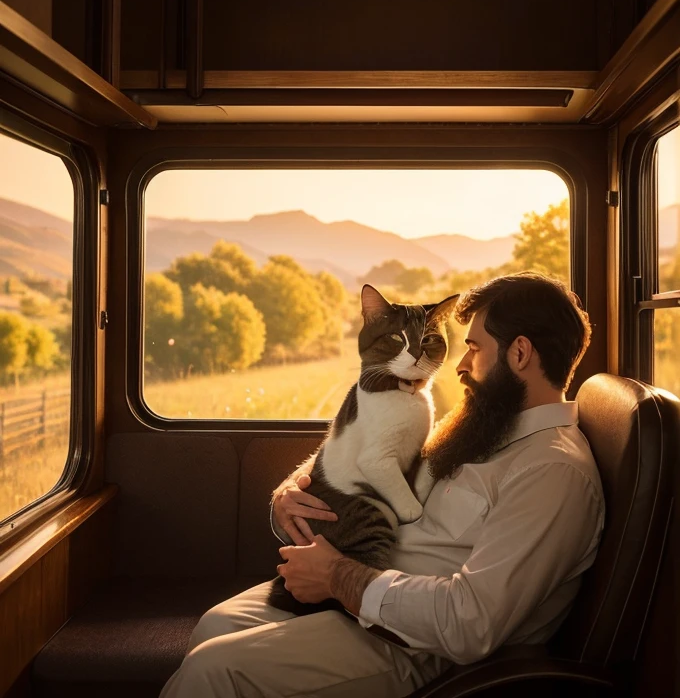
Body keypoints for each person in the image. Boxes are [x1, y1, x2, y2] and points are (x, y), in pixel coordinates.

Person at [160, 273, 605, 698]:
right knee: (213, 625)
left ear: (520, 354)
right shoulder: (483, 426)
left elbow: (470, 624)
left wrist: (338, 577)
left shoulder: (552, 472)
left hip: (413, 646)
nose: (461, 366)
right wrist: (291, 494)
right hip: (365, 594)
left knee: (214, 671)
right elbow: (372, 458)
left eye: (474, 348)